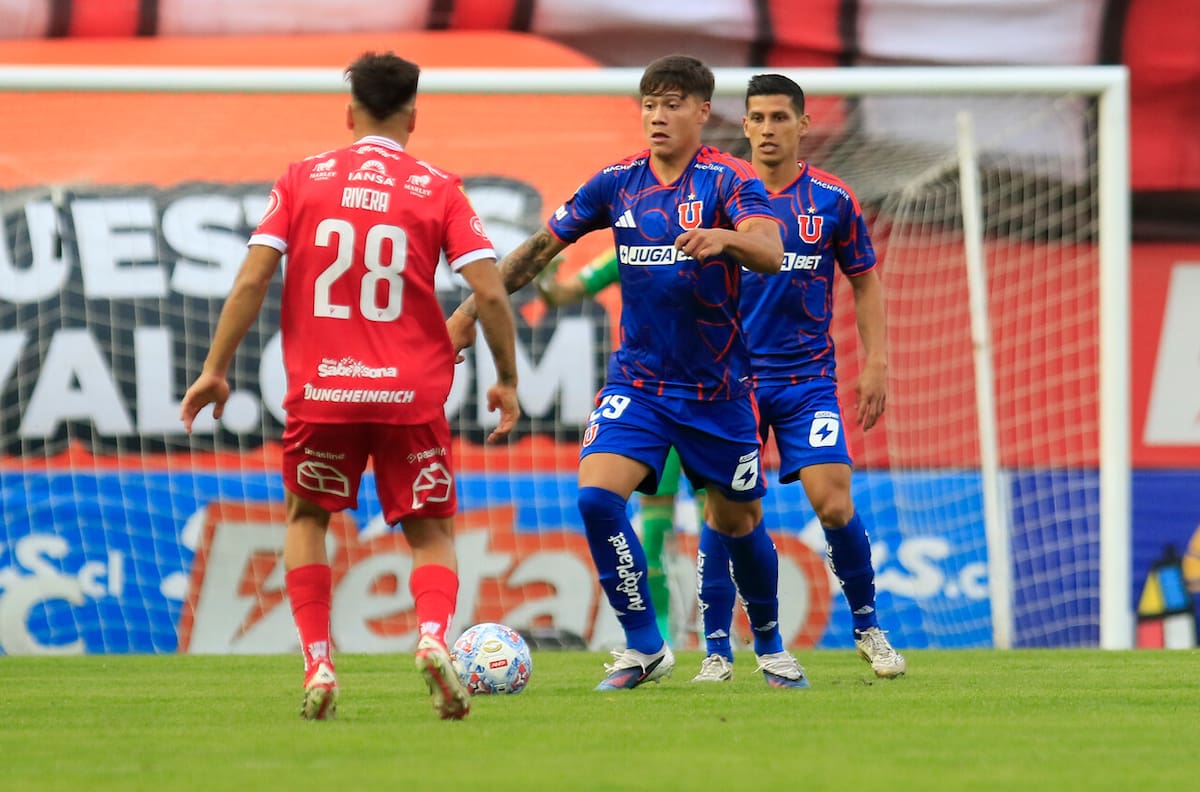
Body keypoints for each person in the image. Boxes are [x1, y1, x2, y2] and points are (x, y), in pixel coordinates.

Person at [449, 54, 808, 690]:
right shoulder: (618, 183)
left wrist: (724, 239)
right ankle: (645, 646)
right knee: (595, 497)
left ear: (702, 112)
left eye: (672, 104)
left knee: (738, 523)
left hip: (718, 392)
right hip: (638, 385)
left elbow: (772, 250)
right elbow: (537, 252)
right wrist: (465, 314)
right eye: (649, 104)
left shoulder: (728, 179)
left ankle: (771, 645)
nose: (657, 116)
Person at [180, 51, 520, 721]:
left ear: (349, 112)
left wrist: (215, 369)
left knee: (308, 519)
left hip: (324, 393)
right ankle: (432, 639)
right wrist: (507, 379)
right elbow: (489, 292)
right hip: (410, 396)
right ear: (413, 116)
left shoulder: (302, 180)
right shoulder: (439, 188)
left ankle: (319, 663)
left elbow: (252, 279)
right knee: (431, 533)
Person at [691, 73, 906, 682]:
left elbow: (864, 282)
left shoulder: (832, 199)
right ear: (744, 125)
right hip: (731, 383)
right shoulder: (719, 193)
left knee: (833, 502)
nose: (766, 129)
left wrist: (876, 362)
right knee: (725, 513)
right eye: (756, 118)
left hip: (806, 379)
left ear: (803, 125)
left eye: (779, 117)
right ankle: (716, 650)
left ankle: (868, 629)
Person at [536, 251, 702, 644]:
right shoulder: (630, 247)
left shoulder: (710, 245)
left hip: (710, 397)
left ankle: (719, 633)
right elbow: (561, 293)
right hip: (651, 400)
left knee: (723, 520)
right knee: (655, 526)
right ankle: (662, 631)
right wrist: (543, 278)